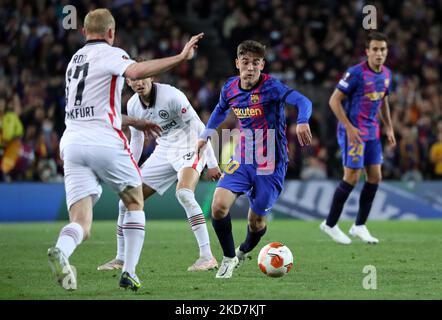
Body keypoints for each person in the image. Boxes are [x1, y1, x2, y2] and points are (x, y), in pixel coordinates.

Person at [47, 8, 204, 291]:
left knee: (81, 223)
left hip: (71, 141)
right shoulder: (111, 53)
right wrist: (180, 57)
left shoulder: (73, 61)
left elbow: (97, 109)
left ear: (83, 32)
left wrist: (135, 122)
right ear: (111, 33)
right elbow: (135, 71)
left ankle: (62, 250)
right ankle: (129, 271)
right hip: (102, 139)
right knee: (134, 201)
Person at [197, 40, 313, 279]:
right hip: (243, 157)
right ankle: (228, 259)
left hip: (271, 162)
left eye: (256, 63)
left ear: (263, 65)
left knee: (256, 222)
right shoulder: (230, 87)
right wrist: (205, 135)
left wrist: (302, 120)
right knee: (218, 206)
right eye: (246, 62)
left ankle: (242, 250)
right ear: (237, 63)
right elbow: (220, 109)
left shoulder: (272, 87)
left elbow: (304, 101)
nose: (250, 68)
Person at [97, 71, 221, 272]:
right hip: (163, 150)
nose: (138, 83)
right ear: (128, 82)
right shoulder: (133, 105)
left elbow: (199, 126)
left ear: (152, 76)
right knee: (126, 202)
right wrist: (132, 168)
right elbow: (136, 140)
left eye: (142, 77)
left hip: (189, 144)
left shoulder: (172, 96)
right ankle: (120, 258)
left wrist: (212, 162)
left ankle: (207, 257)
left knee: (184, 194)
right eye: (133, 80)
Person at [320, 32, 396, 244]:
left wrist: (389, 127)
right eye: (375, 49)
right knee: (352, 177)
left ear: (386, 52)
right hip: (352, 132)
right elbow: (334, 101)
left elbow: (383, 101)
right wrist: (349, 127)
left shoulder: (387, 74)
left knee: (375, 177)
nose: (379, 53)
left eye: (383, 49)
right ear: (367, 51)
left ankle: (359, 225)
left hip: (372, 133)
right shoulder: (355, 73)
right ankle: (330, 223)